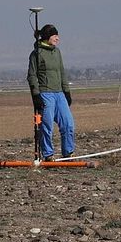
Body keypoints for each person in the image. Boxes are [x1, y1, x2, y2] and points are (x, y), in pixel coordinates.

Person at [27, 24, 75, 161]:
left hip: (60, 93)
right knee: (46, 126)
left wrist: (66, 91)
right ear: (48, 37)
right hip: (45, 94)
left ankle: (68, 153)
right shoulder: (36, 54)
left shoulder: (57, 52)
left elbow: (62, 72)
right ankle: (48, 155)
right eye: (55, 36)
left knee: (68, 123)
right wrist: (36, 95)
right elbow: (31, 75)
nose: (58, 39)